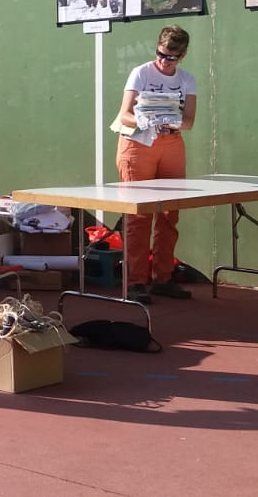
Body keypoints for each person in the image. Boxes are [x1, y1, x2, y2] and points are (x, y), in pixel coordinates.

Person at [114, 25, 198, 305]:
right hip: (138, 143)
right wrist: (145, 120)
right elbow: (125, 114)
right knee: (139, 214)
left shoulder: (187, 80)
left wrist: (167, 120)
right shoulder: (141, 72)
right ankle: (136, 281)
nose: (164, 61)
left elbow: (188, 121)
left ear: (182, 55)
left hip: (170, 142)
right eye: (161, 54)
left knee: (169, 212)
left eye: (171, 58)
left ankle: (163, 277)